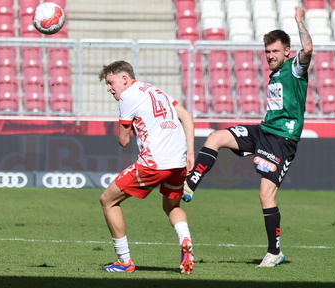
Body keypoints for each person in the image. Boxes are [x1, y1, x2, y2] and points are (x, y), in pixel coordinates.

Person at [182, 6, 313, 268]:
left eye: (275, 51)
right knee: (217, 136)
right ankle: (190, 183)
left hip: (282, 140)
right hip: (264, 130)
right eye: (267, 52)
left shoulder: (295, 68)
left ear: (287, 51)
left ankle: (274, 252)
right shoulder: (275, 73)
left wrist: (299, 21)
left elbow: (307, 50)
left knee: (266, 194)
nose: (271, 56)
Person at [98, 60, 195, 274]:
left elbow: (123, 141)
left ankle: (124, 261)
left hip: (154, 163)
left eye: (110, 82)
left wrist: (131, 126)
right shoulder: (156, 90)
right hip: (178, 161)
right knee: (172, 207)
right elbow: (186, 115)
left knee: (108, 200)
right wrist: (190, 152)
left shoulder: (126, 96)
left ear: (124, 79)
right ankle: (185, 239)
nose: (108, 88)